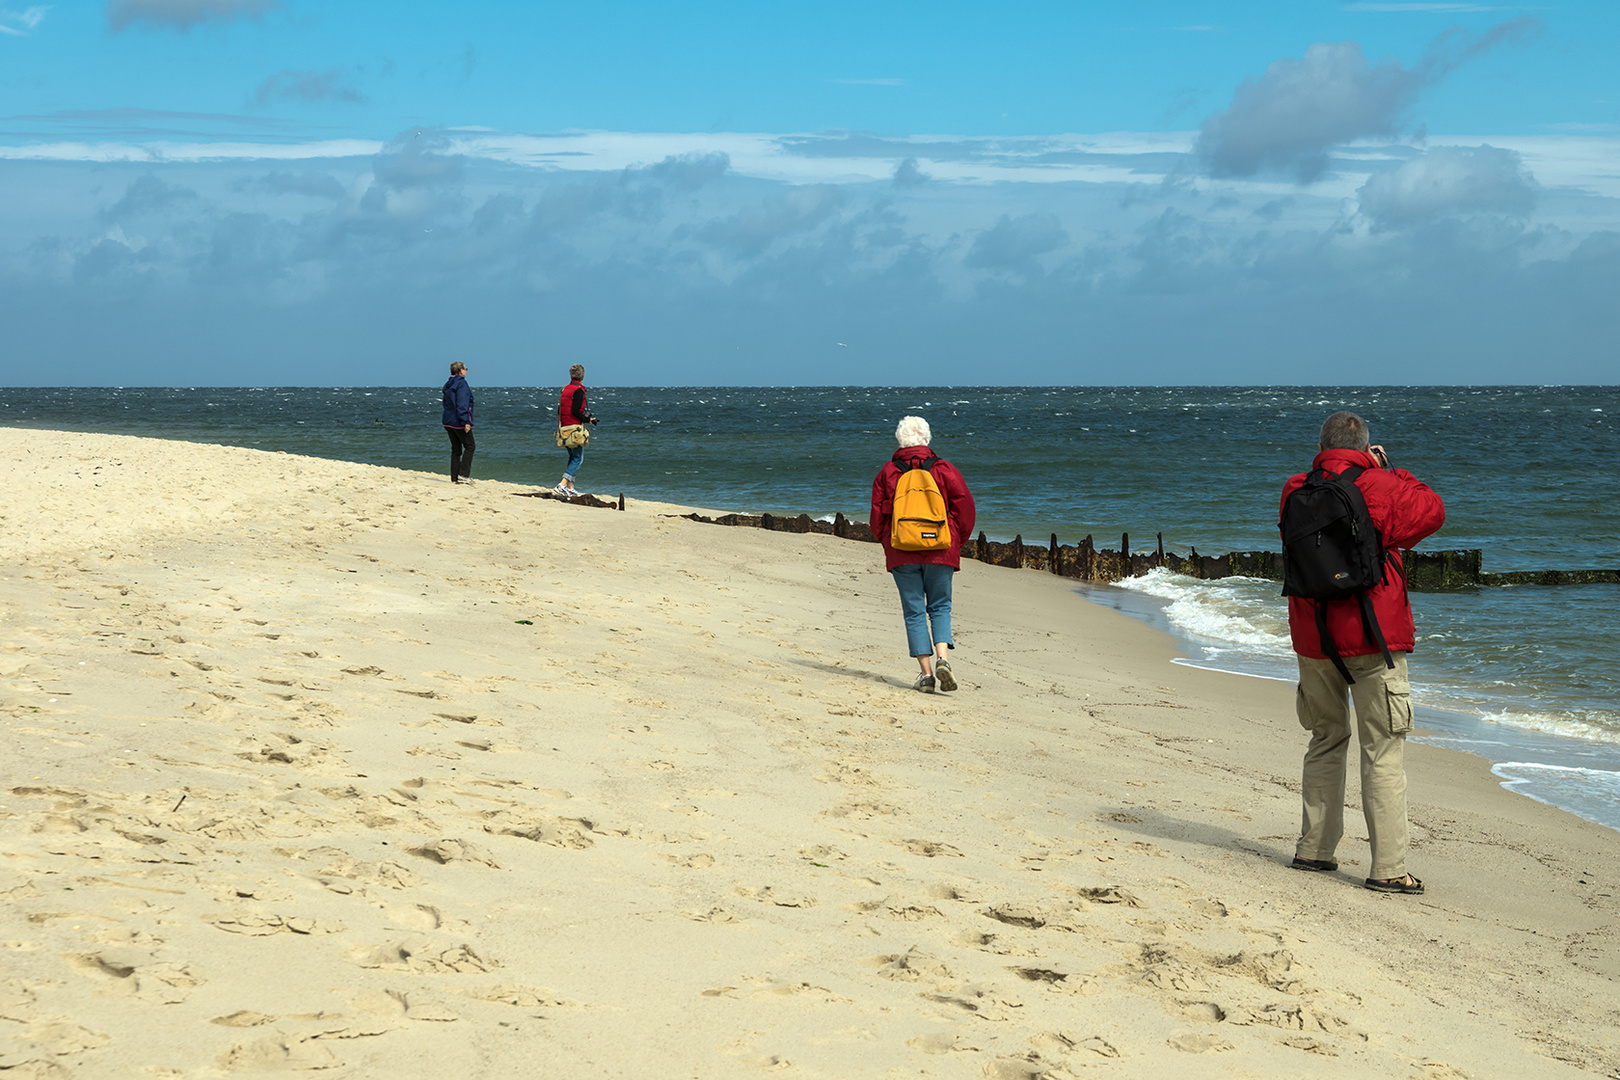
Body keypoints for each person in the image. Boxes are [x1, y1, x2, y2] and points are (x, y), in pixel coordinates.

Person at [1282, 411, 1444, 895]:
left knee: (1326, 739)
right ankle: (1388, 867)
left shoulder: (1296, 488)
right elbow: (1432, 511)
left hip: (1313, 636)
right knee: (1383, 749)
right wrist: (1391, 469)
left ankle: (1314, 849)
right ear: (1367, 446)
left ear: (1322, 444)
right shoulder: (1383, 485)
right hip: (1373, 637)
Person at [869, 415, 976, 693]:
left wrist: (888, 543)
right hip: (941, 548)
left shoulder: (888, 472)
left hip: (902, 550)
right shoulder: (943, 469)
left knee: (914, 611)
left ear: (900, 441)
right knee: (940, 606)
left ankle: (926, 675)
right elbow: (964, 508)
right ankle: (944, 659)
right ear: (927, 440)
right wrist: (956, 541)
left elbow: (877, 518)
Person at [556, 363, 597, 496]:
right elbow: (575, 411)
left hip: (564, 428)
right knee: (578, 458)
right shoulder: (578, 391)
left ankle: (570, 487)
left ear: (571, 375)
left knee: (572, 457)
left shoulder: (564, 389)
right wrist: (588, 420)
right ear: (582, 377)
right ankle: (562, 484)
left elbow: (560, 410)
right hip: (574, 428)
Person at [441, 361, 474, 484]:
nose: (466, 371)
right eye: (465, 369)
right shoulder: (461, 384)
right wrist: (466, 421)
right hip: (457, 422)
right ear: (460, 371)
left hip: (448, 421)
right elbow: (462, 403)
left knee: (456, 450)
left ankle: (454, 478)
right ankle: (463, 475)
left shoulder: (448, 383)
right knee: (470, 446)